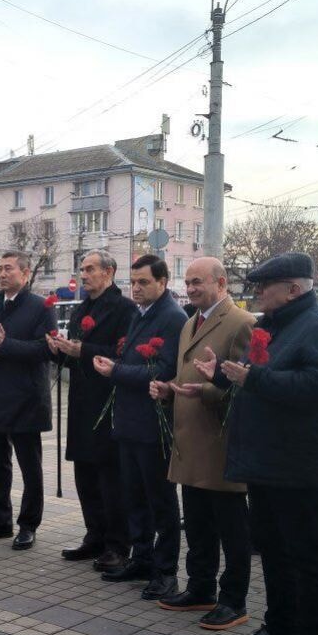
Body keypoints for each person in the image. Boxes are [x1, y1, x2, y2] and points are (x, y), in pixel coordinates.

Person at [191, 252, 318, 635]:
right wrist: (222, 376)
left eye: (265, 286)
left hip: (299, 466)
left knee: (308, 559)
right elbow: (261, 379)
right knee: (276, 555)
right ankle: (279, 630)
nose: (257, 293)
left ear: (294, 289)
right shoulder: (276, 326)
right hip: (268, 463)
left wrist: (251, 378)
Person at [152, 257, 255, 630]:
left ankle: (234, 600)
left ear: (221, 283)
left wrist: (210, 391)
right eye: (189, 282)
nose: (192, 288)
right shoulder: (189, 322)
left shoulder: (242, 323)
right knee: (196, 524)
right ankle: (200, 587)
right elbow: (185, 377)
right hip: (190, 443)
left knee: (231, 528)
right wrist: (166, 390)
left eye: (199, 282)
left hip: (221, 445)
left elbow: (246, 388)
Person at [92, 254, 187, 602]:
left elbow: (161, 372)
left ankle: (166, 572)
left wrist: (114, 371)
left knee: (161, 502)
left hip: (152, 425)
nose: (137, 288)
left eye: (144, 282)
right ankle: (142, 559)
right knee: (135, 498)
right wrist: (116, 365)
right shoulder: (140, 314)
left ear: (162, 282)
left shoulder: (172, 318)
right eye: (133, 281)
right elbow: (135, 362)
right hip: (129, 424)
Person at [47, 250, 136, 571]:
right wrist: (58, 350)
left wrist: (83, 350)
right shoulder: (81, 308)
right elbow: (75, 354)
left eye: (89, 269)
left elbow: (124, 353)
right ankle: (93, 535)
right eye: (81, 270)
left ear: (108, 272)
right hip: (81, 401)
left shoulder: (124, 309)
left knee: (109, 477)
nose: (83, 275)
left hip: (107, 402)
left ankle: (118, 543)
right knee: (84, 473)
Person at [0, 252, 56, 550]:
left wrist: (7, 344)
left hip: (26, 397)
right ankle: (0, 519)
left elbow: (46, 350)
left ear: (25, 273)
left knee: (30, 466)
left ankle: (28, 524)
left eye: (8, 269)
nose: (2, 274)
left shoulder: (41, 306)